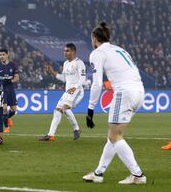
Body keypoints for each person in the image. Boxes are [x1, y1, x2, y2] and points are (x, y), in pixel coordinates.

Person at [83, 22, 146, 184]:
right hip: (139, 91)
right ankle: (98, 173)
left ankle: (137, 175)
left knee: (115, 136)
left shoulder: (97, 53)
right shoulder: (120, 49)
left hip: (124, 93)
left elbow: (96, 84)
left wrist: (90, 109)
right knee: (113, 136)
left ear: (95, 38)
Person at [39, 43, 85, 141]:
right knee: (57, 110)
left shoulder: (79, 63)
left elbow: (83, 79)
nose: (65, 53)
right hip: (68, 92)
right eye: (64, 51)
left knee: (64, 108)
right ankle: (51, 135)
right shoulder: (66, 63)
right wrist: (53, 73)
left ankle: (76, 129)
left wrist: (75, 87)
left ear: (73, 52)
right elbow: (64, 78)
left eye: (67, 51)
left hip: (77, 91)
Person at [0, 48, 19, 133]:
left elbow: (17, 78)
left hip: (10, 89)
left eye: (3, 54)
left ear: (7, 55)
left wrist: (10, 80)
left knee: (14, 110)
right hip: (2, 90)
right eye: (0, 55)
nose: (1, 56)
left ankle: (7, 118)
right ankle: (6, 127)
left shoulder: (13, 65)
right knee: (4, 109)